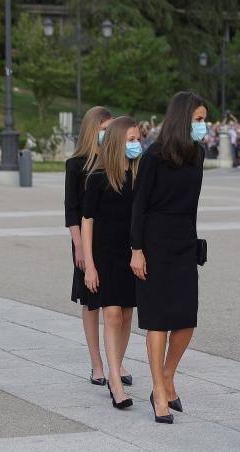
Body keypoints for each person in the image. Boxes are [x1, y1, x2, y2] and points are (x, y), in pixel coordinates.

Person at [131, 91, 208, 425]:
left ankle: (166, 376)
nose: (204, 126)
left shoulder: (198, 154)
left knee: (186, 320)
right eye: (199, 120)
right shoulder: (154, 156)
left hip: (183, 244)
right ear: (183, 119)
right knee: (158, 320)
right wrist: (136, 250)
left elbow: (192, 206)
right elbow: (138, 206)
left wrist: (194, 243)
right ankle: (159, 391)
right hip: (154, 245)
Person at [65, 106, 132, 388]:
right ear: (93, 130)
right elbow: (72, 211)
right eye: (103, 129)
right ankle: (97, 363)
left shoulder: (116, 162)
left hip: (113, 240)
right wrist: (79, 247)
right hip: (85, 241)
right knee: (91, 302)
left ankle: (117, 361)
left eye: (110, 129)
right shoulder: (77, 164)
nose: (108, 133)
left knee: (119, 305)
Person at [81, 116, 141, 410]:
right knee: (113, 314)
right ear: (117, 142)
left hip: (131, 254)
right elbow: (87, 221)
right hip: (105, 255)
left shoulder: (140, 177)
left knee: (127, 316)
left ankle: (116, 366)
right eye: (131, 139)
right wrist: (89, 265)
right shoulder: (97, 178)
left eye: (138, 139)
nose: (136, 144)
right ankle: (115, 381)